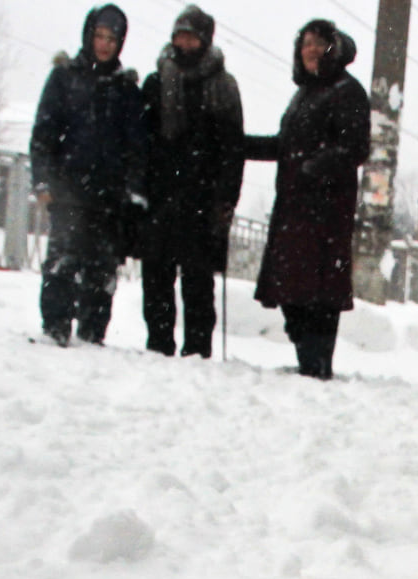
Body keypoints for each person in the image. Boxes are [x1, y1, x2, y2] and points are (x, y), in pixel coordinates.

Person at [246, 18, 370, 379]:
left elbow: (354, 147)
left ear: (334, 48)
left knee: (320, 293)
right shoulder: (303, 96)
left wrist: (313, 169)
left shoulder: (348, 91)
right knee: (293, 291)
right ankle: (307, 359)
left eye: (318, 43)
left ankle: (317, 365)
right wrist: (239, 145)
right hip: (294, 207)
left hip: (326, 211)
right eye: (305, 44)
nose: (311, 50)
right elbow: (285, 146)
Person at [30, 4, 147, 347]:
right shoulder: (65, 77)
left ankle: (93, 334)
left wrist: (133, 192)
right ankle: (55, 327)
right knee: (62, 261)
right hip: (67, 189)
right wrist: (43, 180)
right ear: (88, 35)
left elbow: (137, 148)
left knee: (101, 269)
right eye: (99, 36)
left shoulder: (126, 90)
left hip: (108, 198)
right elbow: (44, 135)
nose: (105, 44)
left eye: (112, 38)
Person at [140, 5, 245, 358]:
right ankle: (158, 344)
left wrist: (226, 199)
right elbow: (142, 140)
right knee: (156, 275)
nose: (184, 42)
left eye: (192, 35)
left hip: (202, 197)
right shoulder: (156, 81)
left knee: (198, 280)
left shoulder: (222, 86)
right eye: (179, 35)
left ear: (205, 39)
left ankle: (197, 351)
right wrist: (140, 187)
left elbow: (232, 149)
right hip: (160, 194)